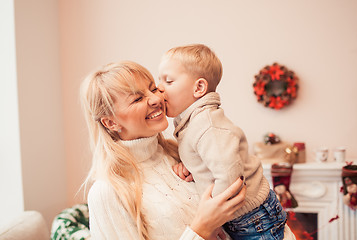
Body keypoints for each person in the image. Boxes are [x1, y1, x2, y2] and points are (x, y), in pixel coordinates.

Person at [80, 60, 247, 240]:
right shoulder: (107, 192)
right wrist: (202, 229)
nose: (156, 99)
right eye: (137, 99)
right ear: (111, 122)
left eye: (153, 89)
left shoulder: (181, 155)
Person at [157, 44, 288, 240]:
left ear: (199, 88)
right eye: (159, 81)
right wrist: (192, 167)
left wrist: (211, 221)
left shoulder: (207, 125)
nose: (159, 88)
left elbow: (229, 177)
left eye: (168, 81)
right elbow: (212, 159)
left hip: (254, 218)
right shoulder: (193, 123)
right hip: (244, 218)